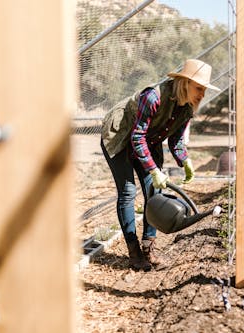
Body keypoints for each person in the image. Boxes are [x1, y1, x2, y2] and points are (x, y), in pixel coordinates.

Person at [100, 59, 220, 271]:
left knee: (154, 191)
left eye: (204, 90)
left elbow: (176, 140)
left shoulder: (187, 109)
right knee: (128, 192)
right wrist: (154, 169)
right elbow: (137, 137)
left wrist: (185, 160)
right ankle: (134, 252)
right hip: (120, 136)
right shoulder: (153, 96)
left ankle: (149, 248)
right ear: (184, 83)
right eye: (199, 88)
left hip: (148, 140)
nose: (202, 94)